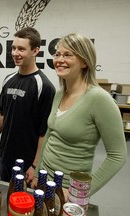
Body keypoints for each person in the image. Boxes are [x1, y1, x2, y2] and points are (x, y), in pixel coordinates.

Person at [33, 33, 127, 197]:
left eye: (68, 55)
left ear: (84, 62)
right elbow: (50, 134)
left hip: (67, 187)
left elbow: (117, 156)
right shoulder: (60, 93)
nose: (59, 60)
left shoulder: (99, 99)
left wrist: (80, 192)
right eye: (57, 54)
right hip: (44, 180)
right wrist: (36, 173)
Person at [0, 27, 56, 183]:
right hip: (4, 155)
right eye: (13, 48)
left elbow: (44, 132)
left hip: (26, 162)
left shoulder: (44, 86)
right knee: (2, 195)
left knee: (21, 203)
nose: (15, 53)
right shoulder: (8, 79)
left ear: (35, 51)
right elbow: (2, 115)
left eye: (21, 49)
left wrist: (35, 165)